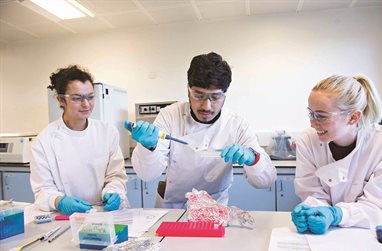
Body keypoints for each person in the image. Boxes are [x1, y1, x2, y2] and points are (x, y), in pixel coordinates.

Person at [126, 52, 276, 208]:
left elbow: (266, 181)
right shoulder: (170, 115)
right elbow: (147, 174)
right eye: (198, 95)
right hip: (172, 210)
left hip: (214, 210)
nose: (206, 106)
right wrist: (148, 147)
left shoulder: (236, 124)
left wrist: (253, 159)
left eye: (215, 97)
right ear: (188, 90)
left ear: (225, 94)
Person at [30, 65, 129, 215]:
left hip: (105, 212)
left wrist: (113, 191)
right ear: (61, 100)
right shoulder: (44, 141)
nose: (86, 104)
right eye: (77, 98)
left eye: (90, 96)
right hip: (67, 216)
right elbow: (42, 189)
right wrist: (59, 201)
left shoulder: (107, 132)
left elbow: (115, 175)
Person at [292, 75, 382, 234]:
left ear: (353, 117)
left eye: (321, 116)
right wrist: (310, 211)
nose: (312, 123)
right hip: (326, 236)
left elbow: (376, 206)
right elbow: (312, 192)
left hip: (366, 233)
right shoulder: (308, 140)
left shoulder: (378, 144)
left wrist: (336, 214)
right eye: (310, 114)